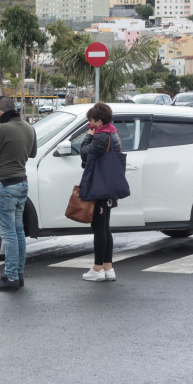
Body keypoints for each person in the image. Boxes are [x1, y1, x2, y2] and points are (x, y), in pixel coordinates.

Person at [0, 95, 37, 292]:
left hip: (4, 186)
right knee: (18, 231)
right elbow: (32, 153)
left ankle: (11, 276)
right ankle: (19, 274)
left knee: (8, 234)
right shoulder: (28, 127)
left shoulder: (2, 129)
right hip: (21, 183)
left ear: (0, 112)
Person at [79, 102, 122, 282]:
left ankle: (97, 269)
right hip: (109, 185)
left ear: (97, 121)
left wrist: (89, 134)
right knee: (105, 228)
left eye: (91, 122)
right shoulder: (114, 133)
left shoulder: (101, 137)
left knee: (98, 228)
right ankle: (108, 268)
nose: (90, 125)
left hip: (99, 187)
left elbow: (84, 153)